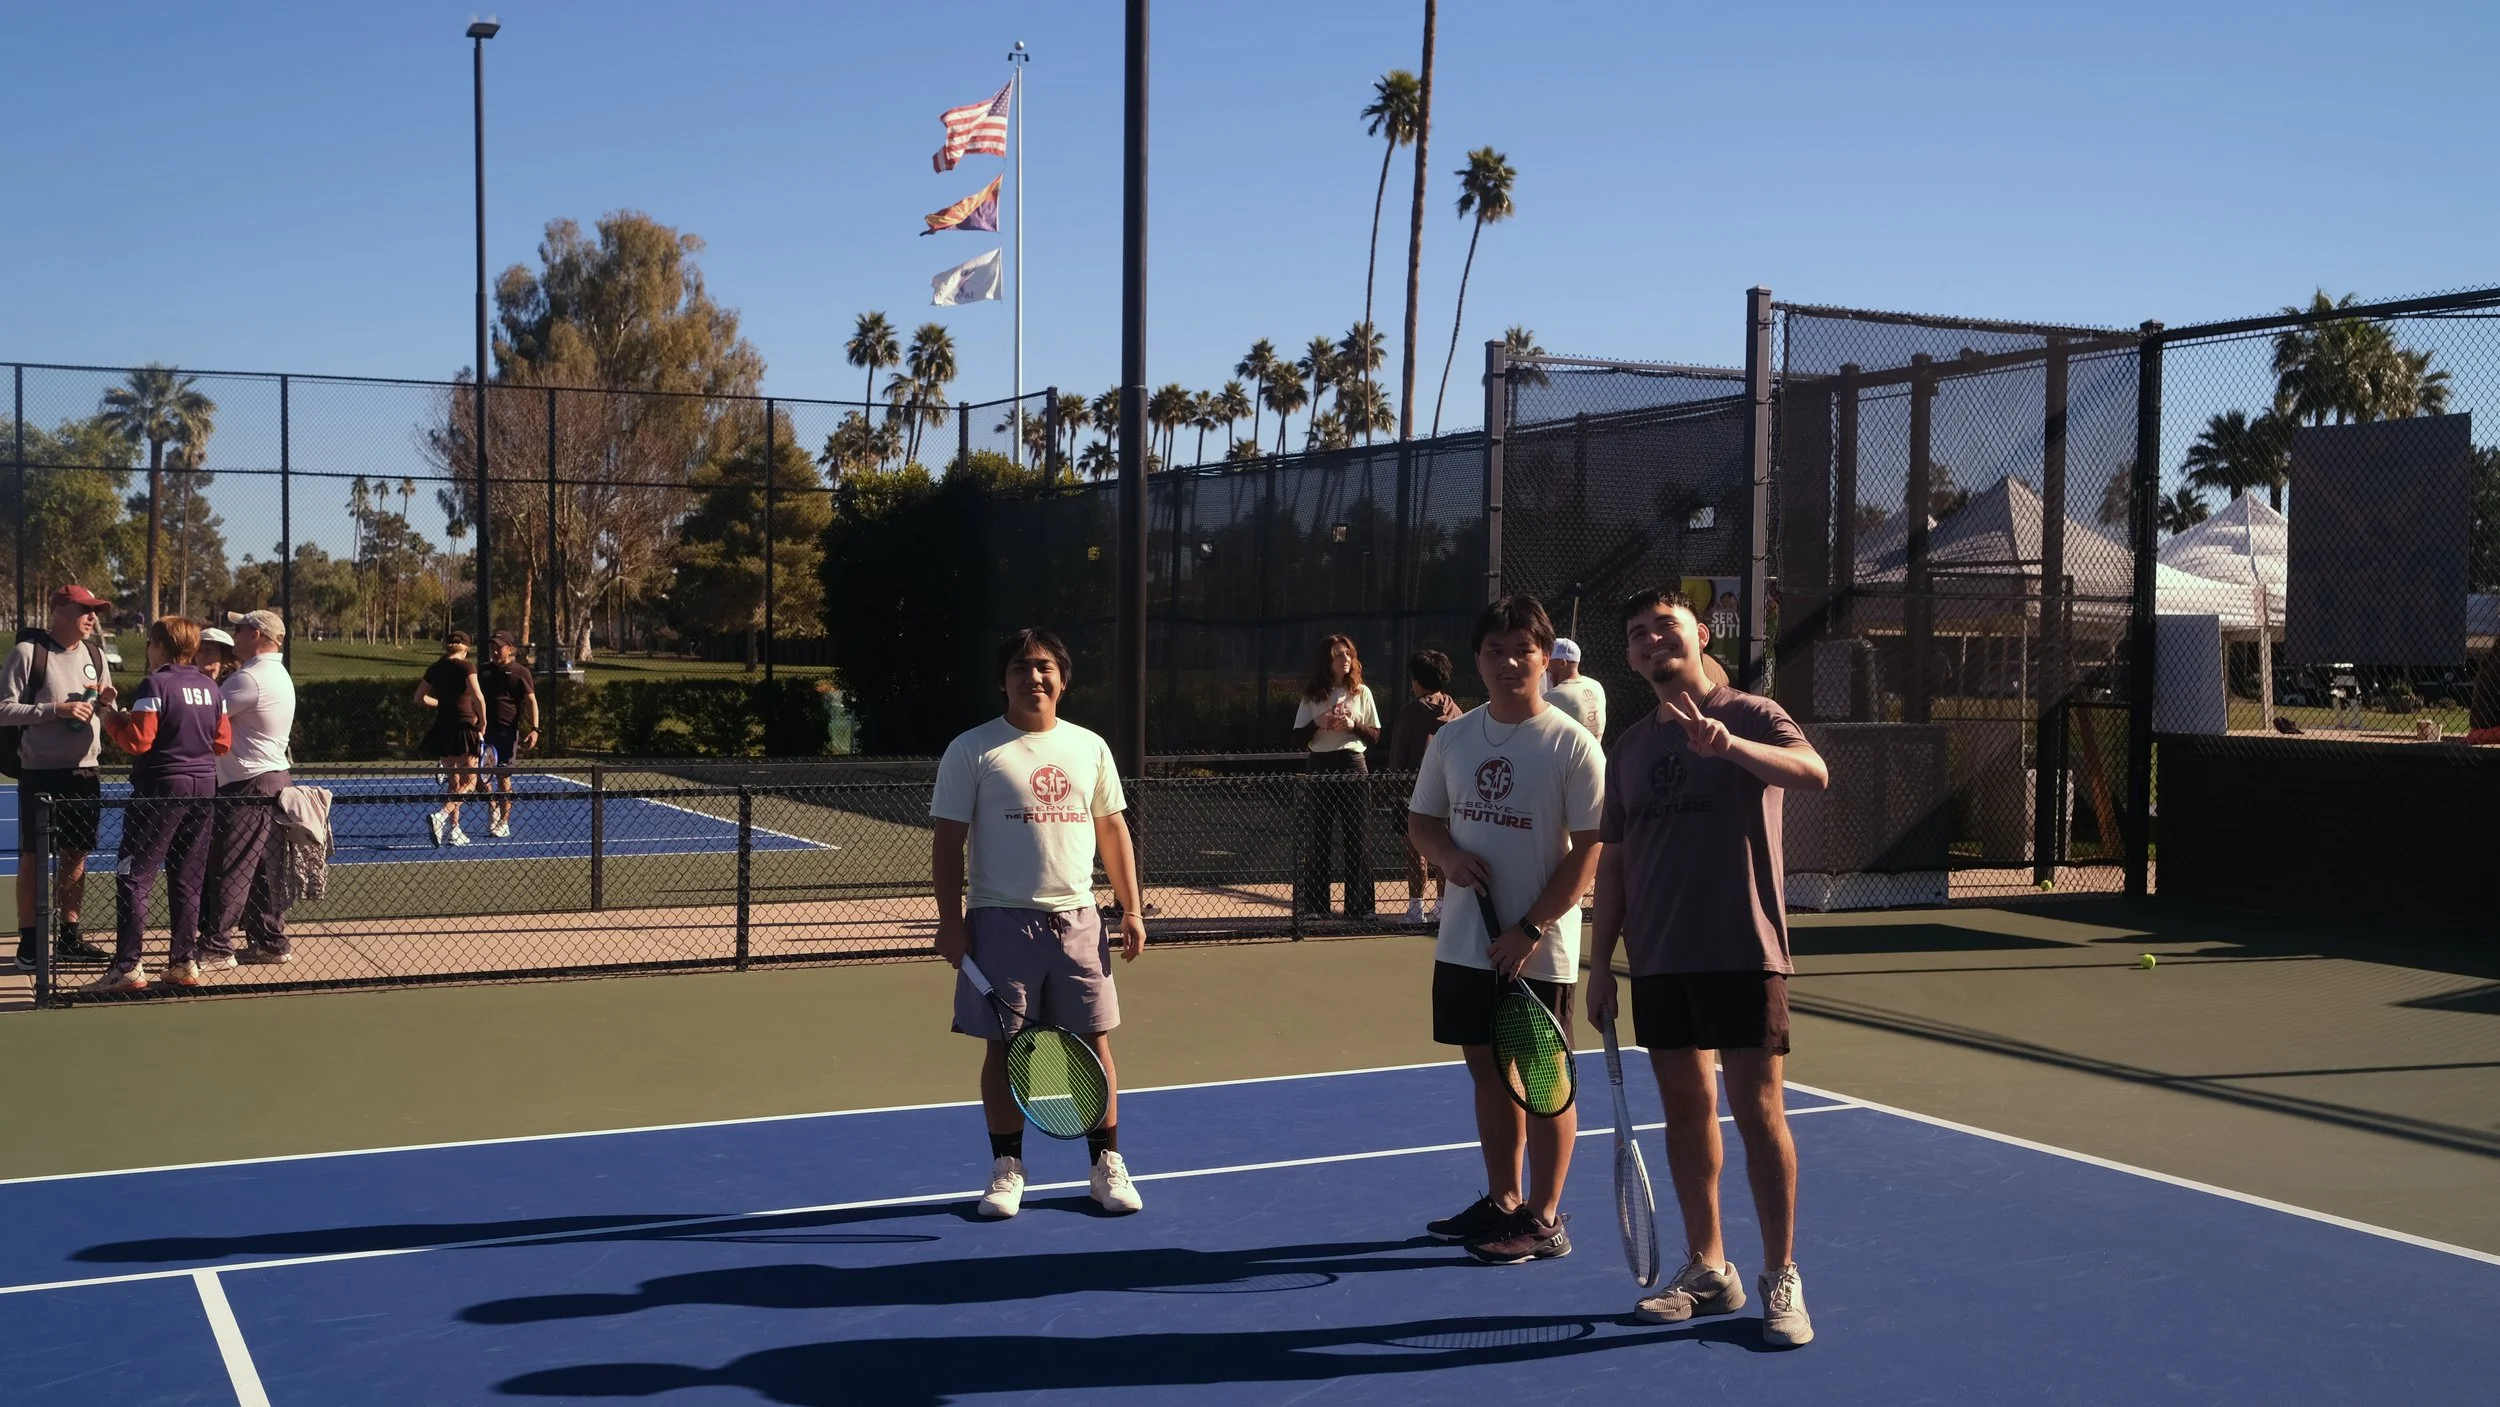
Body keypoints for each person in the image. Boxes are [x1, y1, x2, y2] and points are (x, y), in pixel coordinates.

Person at [1588, 587, 1830, 1348]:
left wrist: (1730, 748)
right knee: (1687, 1115)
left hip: (1742, 950)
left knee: (1759, 1113)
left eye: (1665, 626)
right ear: (1630, 657)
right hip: (1660, 961)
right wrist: (1602, 965)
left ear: (1699, 634)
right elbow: (1617, 865)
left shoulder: (1751, 712)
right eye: (1637, 634)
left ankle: (1780, 1275)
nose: (1651, 640)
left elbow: (1812, 771)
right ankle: (1707, 1267)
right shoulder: (1627, 749)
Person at [1406, 595, 1606, 1265]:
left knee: (1543, 1081)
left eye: (1523, 648)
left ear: (1545, 658)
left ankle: (1546, 1218)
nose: (1509, 659)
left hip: (1535, 952)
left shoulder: (1571, 744)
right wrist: (1449, 856)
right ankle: (1503, 1199)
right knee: (1488, 1075)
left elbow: (1590, 851)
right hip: (1465, 942)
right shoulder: (1454, 738)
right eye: (1495, 649)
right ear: (1477, 661)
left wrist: (1529, 925)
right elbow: (1423, 822)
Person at [931, 628, 1149, 1221]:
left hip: (1079, 921)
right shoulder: (972, 750)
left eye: (1046, 666)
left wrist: (1130, 908)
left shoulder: (1090, 747)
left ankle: (1106, 1167)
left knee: (1093, 1041)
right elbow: (949, 842)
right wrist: (950, 923)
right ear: (1002, 680)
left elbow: (1113, 831)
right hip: (1000, 923)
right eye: (1023, 667)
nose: (1035, 677)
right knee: (1003, 1049)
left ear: (1063, 677)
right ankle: (1006, 1169)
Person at [94, 616, 230, 991]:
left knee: (133, 876)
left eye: (150, 643)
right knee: (188, 878)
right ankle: (184, 962)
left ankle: (127, 967)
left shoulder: (155, 683)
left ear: (159, 645)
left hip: (159, 789)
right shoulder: (210, 686)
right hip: (204, 787)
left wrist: (108, 717)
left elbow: (137, 741)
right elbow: (222, 742)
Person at [3, 585, 117, 971]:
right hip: (40, 773)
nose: (92, 616)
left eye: (95, 610)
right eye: (84, 609)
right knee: (33, 858)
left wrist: (105, 705)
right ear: (58, 611)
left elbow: (108, 710)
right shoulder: (28, 653)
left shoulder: (96, 656)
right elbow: (4, 709)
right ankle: (30, 943)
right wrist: (56, 709)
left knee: (76, 855)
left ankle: (69, 938)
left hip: (85, 772)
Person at [199, 609, 299, 968]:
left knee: (232, 865)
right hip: (269, 779)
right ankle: (270, 941)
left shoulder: (250, 678)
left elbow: (203, 717)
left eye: (238, 629)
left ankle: (217, 946)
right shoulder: (273, 673)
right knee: (260, 867)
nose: (234, 636)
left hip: (249, 784)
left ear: (257, 633)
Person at [1290, 634, 1381, 921]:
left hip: (1353, 764)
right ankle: (1316, 906)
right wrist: (1317, 723)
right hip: (1320, 765)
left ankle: (1361, 907)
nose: (1345, 660)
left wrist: (1353, 725)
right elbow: (1296, 738)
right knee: (1319, 835)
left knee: (1358, 835)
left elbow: (1375, 735)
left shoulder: (1362, 692)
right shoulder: (1313, 694)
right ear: (1326, 661)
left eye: (1348, 654)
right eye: (1338, 655)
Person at [1382, 649, 1463, 927]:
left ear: (1416, 680)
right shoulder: (1457, 712)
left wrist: (1394, 787)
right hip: (1451, 794)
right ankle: (1442, 907)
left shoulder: (1409, 713)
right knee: (1444, 849)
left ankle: (1416, 909)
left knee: (1415, 849)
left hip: (1413, 794)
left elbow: (1398, 757)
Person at [415, 631, 486, 847]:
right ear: (466, 648)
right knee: (471, 782)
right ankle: (442, 816)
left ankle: (455, 829)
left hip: (443, 728)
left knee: (454, 780)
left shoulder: (435, 668)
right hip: (464, 727)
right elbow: (478, 695)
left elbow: (418, 698)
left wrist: (442, 705)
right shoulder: (467, 667)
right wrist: (483, 722)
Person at [475, 630, 540, 839]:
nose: (494, 650)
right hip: (484, 731)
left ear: (510, 648)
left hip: (507, 733)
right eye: (492, 646)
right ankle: (492, 806)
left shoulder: (520, 672)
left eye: (499, 647)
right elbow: (473, 698)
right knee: (480, 778)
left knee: (503, 776)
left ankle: (504, 821)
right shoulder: (483, 671)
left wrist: (535, 728)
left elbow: (531, 701)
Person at [1543, 638, 1608, 740]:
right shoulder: (1596, 685)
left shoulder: (1554, 696)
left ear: (1562, 663)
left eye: (1548, 662)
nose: (1545, 667)